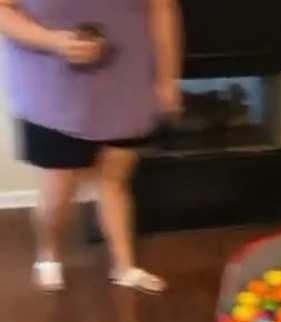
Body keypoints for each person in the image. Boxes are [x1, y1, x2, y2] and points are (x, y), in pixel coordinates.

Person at [0, 0, 182, 292]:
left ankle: (124, 267)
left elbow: (163, 9)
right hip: (52, 83)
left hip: (127, 80)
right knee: (60, 184)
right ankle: (48, 255)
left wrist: (167, 77)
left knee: (116, 178)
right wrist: (55, 41)